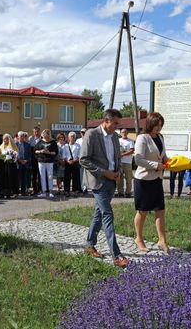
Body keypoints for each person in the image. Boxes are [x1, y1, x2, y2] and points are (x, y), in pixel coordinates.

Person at [80, 109, 129, 268]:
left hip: (112, 180)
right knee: (107, 214)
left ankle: (89, 245)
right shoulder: (92, 134)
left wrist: (119, 171)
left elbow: (117, 157)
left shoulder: (115, 136)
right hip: (98, 181)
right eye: (115, 123)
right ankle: (117, 255)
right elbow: (84, 160)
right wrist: (104, 173)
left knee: (98, 214)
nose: (117, 127)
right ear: (106, 120)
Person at [133, 112, 169, 254]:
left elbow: (163, 155)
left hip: (157, 179)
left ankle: (162, 240)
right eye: (156, 125)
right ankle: (139, 239)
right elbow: (138, 160)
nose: (158, 128)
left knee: (160, 210)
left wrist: (169, 161)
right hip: (143, 180)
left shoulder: (160, 137)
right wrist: (155, 165)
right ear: (150, 124)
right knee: (143, 211)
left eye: (160, 125)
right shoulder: (142, 138)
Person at [34, 129, 58, 198]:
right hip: (41, 161)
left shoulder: (53, 142)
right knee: (42, 177)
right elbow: (35, 151)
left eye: (47, 133)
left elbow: (55, 152)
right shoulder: (40, 142)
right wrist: (41, 151)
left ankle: (51, 191)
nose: (45, 135)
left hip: (50, 161)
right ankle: (43, 192)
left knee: (50, 176)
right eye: (44, 133)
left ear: (49, 134)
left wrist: (49, 152)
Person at [0, 133, 19, 198]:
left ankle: (10, 193)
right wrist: (3, 156)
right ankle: (2, 193)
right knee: (2, 178)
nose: (4, 140)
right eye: (3, 139)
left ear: (9, 139)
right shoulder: (1, 145)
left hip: (11, 164)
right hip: (3, 164)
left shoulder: (13, 145)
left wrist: (11, 156)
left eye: (6, 139)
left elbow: (16, 153)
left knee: (10, 178)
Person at [117, 128, 134, 198]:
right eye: (122, 132)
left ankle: (128, 192)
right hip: (119, 162)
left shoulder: (130, 141)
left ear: (127, 133)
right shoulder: (118, 141)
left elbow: (132, 151)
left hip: (127, 162)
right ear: (120, 133)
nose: (124, 133)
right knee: (119, 178)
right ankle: (120, 192)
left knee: (128, 178)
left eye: (125, 132)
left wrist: (123, 155)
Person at [63, 131, 81, 196]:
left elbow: (79, 155)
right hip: (67, 163)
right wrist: (68, 161)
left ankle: (74, 191)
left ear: (75, 138)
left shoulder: (78, 146)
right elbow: (64, 155)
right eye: (71, 137)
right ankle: (66, 190)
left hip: (75, 163)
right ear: (68, 138)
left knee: (75, 177)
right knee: (67, 178)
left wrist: (74, 160)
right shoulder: (65, 146)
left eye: (73, 137)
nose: (72, 138)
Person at [16, 131, 32, 196]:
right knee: (17, 178)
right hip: (18, 163)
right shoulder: (15, 144)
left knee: (24, 178)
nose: (22, 137)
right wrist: (19, 160)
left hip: (25, 163)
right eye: (21, 136)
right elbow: (13, 154)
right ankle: (16, 191)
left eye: (23, 136)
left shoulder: (28, 145)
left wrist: (26, 160)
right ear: (18, 137)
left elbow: (30, 154)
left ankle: (23, 191)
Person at [28, 126, 42, 195]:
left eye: (37, 131)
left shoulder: (42, 139)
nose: (36, 133)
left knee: (40, 175)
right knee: (33, 175)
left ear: (40, 132)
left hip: (41, 159)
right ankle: (34, 189)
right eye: (35, 132)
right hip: (33, 160)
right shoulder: (31, 139)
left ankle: (40, 189)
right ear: (33, 132)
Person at [77, 128, 88, 193]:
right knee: (81, 174)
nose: (83, 133)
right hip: (80, 159)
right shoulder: (78, 140)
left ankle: (85, 187)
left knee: (86, 174)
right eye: (82, 132)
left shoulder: (89, 139)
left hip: (87, 159)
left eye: (84, 132)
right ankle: (81, 187)